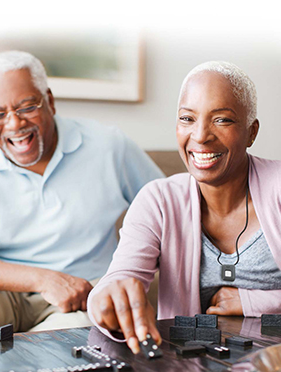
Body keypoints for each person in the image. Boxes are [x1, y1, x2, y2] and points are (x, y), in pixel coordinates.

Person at [0, 50, 164, 335]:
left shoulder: (108, 145)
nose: (14, 124)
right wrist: (44, 279)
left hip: (83, 295)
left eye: (27, 107)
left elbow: (169, 210)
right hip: (0, 292)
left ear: (49, 102)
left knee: (78, 335)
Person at [88, 61, 281, 354]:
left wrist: (253, 301)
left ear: (251, 132)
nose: (201, 135)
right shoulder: (158, 200)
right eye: (187, 119)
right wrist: (104, 300)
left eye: (222, 120)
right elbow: (121, 277)